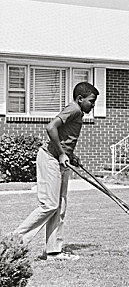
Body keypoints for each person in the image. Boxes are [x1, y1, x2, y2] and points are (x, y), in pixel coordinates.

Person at [14, 82, 99, 261]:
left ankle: (54, 251)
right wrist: (61, 153)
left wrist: (70, 154)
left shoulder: (78, 113)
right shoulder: (74, 109)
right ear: (80, 99)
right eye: (91, 101)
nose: (93, 105)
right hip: (50, 158)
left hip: (60, 160)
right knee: (50, 205)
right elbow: (51, 127)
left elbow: (62, 135)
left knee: (59, 206)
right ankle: (13, 242)